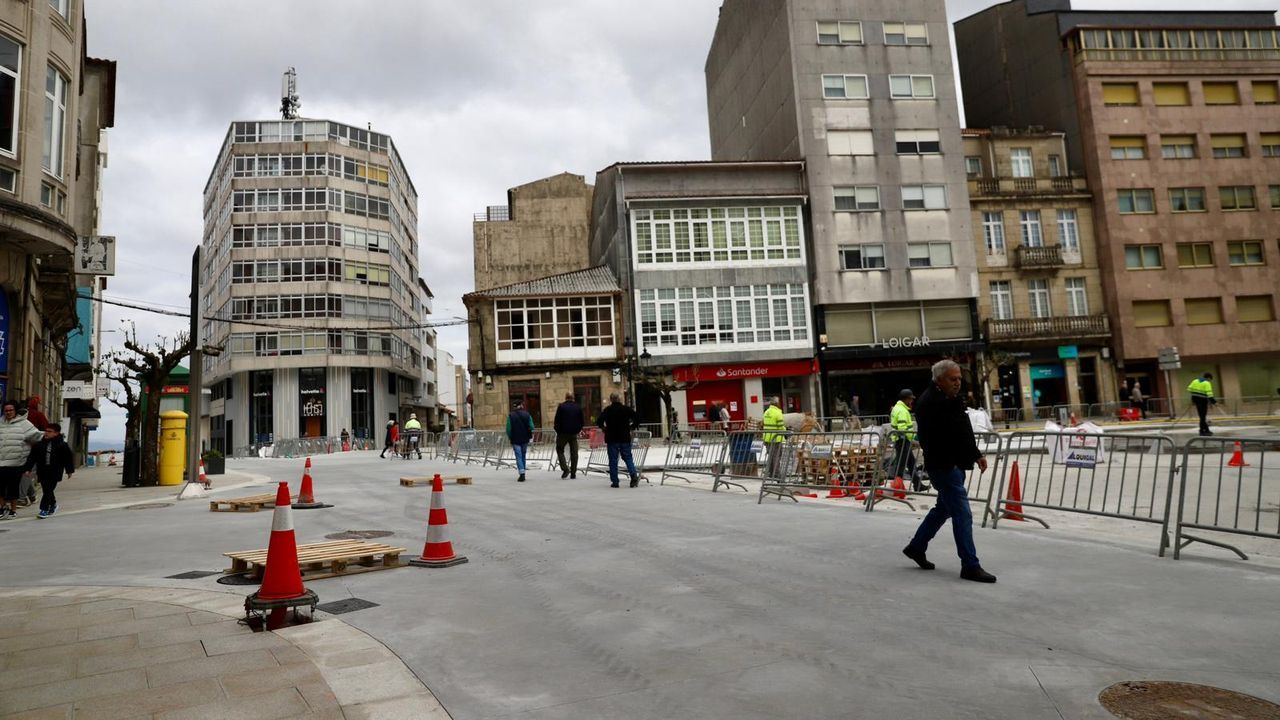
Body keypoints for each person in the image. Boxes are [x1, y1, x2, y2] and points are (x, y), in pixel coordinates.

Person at [902, 360, 996, 583]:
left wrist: (976, 454)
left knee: (943, 509)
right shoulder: (931, 403)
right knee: (962, 513)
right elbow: (942, 437)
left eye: (959, 379)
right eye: (953, 379)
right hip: (944, 466)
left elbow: (963, 429)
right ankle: (970, 564)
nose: (957, 383)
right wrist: (954, 462)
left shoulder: (950, 399)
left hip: (954, 464)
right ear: (939, 379)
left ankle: (916, 546)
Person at [0, 401, 42, 519]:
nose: (8, 412)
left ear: (15, 411)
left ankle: (13, 510)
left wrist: (51, 437)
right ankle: (2, 508)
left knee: (13, 488)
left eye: (10, 410)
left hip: (16, 463)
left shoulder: (24, 424)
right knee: (0, 488)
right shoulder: (0, 423)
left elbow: (37, 436)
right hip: (1, 462)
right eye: (6, 410)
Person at [25, 422, 74, 518]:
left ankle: (44, 509)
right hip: (43, 471)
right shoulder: (39, 445)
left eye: (49, 431)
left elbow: (67, 458)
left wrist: (69, 470)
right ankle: (53, 504)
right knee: (47, 490)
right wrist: (28, 469)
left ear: (56, 433)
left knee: (48, 490)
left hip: (55, 471)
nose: (46, 433)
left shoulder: (62, 445)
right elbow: (32, 458)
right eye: (46, 431)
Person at [596, 393, 640, 488]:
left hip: (612, 438)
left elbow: (599, 421)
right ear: (619, 399)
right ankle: (633, 476)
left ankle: (615, 481)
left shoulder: (608, 410)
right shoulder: (626, 409)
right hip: (624, 437)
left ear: (611, 400)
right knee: (628, 458)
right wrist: (631, 427)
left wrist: (604, 428)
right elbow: (637, 418)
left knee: (613, 460)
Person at [890, 389, 920, 490]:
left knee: (911, 462)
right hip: (902, 440)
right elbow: (902, 428)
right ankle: (897, 487)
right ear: (906, 399)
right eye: (911, 399)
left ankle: (917, 484)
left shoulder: (897, 408)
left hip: (902, 440)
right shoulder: (902, 410)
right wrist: (911, 439)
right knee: (901, 465)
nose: (911, 401)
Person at [553, 393, 584, 478]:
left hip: (562, 433)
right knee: (574, 453)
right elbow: (582, 421)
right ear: (573, 398)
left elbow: (557, 420)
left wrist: (558, 430)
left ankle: (565, 468)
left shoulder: (561, 406)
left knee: (559, 449)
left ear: (565, 397)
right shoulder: (578, 407)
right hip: (574, 433)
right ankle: (573, 473)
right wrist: (577, 430)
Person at [506, 401, 535, 482]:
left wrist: (510, 436)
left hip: (515, 439)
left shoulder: (510, 416)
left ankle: (521, 473)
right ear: (521, 406)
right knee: (523, 455)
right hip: (525, 438)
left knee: (518, 456)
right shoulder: (527, 414)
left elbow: (508, 429)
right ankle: (523, 472)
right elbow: (532, 426)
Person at [761, 397, 787, 479]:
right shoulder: (778, 413)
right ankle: (777, 474)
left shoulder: (766, 412)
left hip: (767, 437)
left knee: (770, 456)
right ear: (777, 403)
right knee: (776, 456)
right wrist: (786, 430)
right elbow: (780, 426)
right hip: (776, 438)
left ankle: (771, 473)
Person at [1188, 372, 1216, 436]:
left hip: (1196, 400)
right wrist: (1214, 402)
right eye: (1210, 379)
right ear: (1208, 378)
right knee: (1202, 417)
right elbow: (1209, 394)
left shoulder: (1195, 381)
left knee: (1202, 416)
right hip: (1203, 401)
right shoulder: (1207, 383)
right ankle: (1202, 431)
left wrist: (1196, 394)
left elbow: (1189, 389)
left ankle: (1206, 430)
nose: (1210, 381)